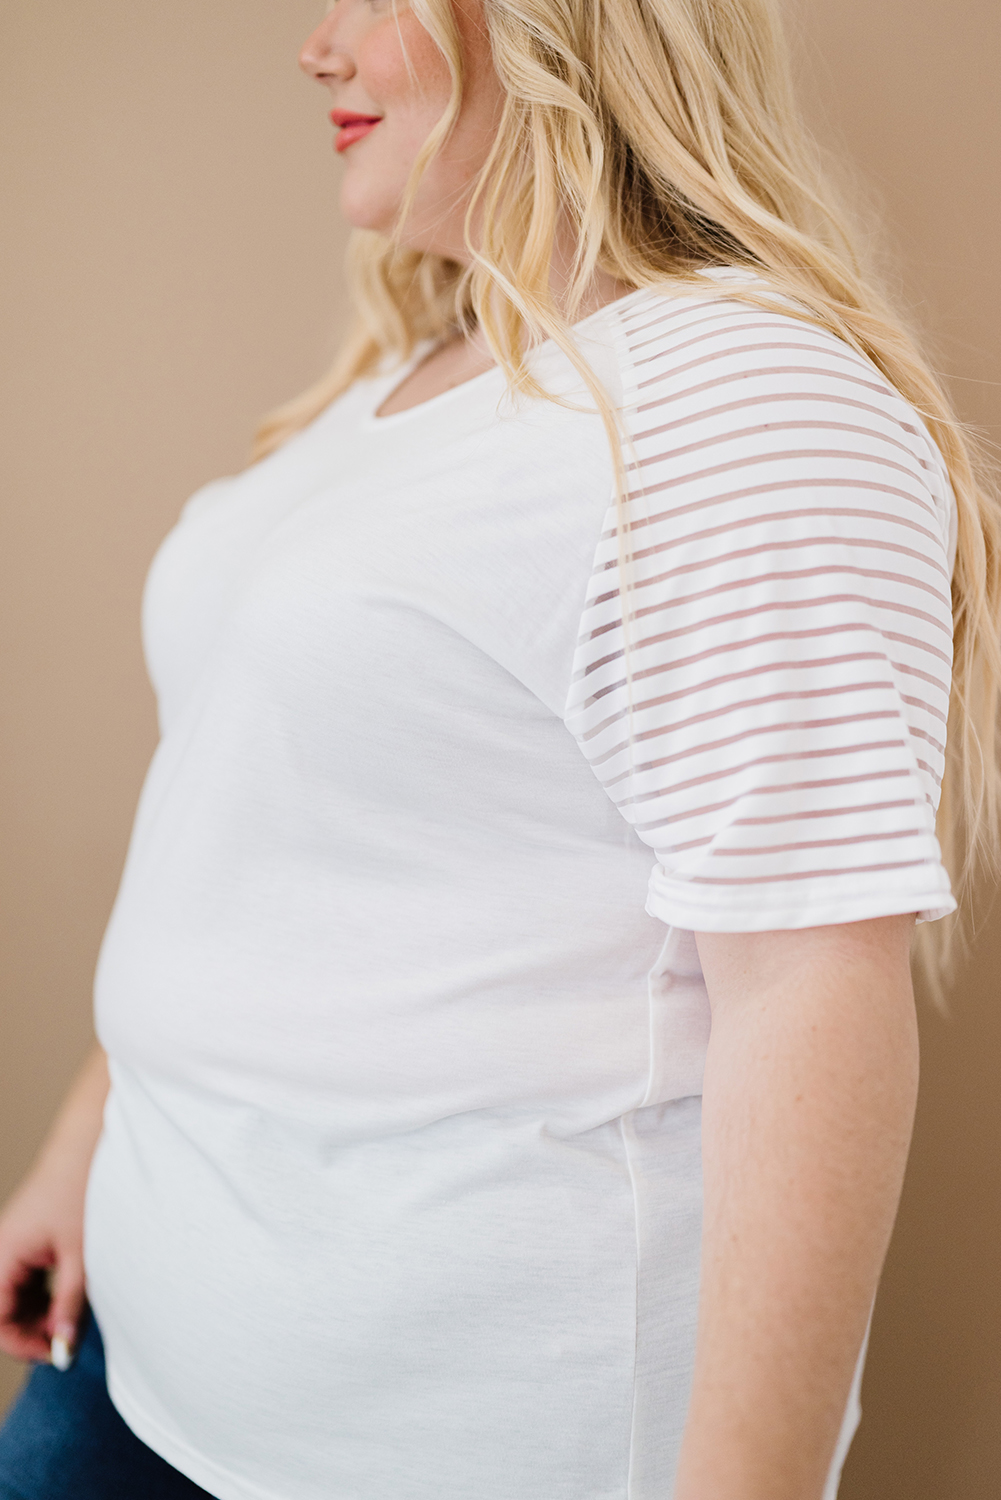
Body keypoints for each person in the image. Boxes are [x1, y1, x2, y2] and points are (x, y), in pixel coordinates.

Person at [0, 0, 998, 1496]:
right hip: (131, 1368)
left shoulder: (738, 403)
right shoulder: (405, 379)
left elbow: (806, 992)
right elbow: (257, 819)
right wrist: (91, 1135)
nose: (315, 47)